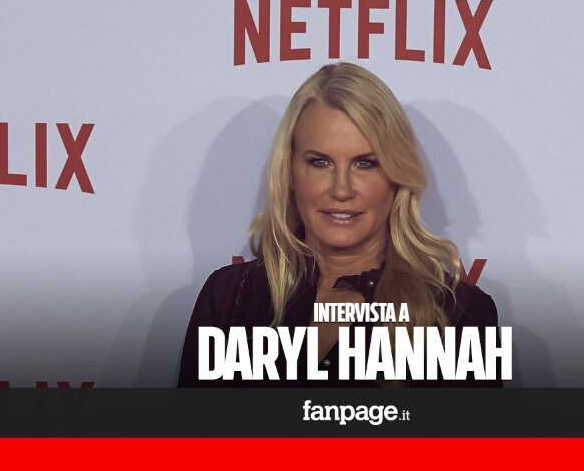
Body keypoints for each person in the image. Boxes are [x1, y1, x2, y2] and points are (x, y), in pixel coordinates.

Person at [178, 62, 499, 387]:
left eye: (365, 163)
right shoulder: (228, 298)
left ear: (397, 176)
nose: (341, 190)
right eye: (320, 162)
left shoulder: (459, 316)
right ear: (289, 172)